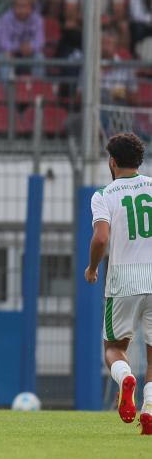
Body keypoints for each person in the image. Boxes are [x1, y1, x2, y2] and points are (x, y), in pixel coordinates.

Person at [85, 132, 152, 435]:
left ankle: (125, 377)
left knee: (113, 347)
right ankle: (149, 410)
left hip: (123, 280)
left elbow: (101, 238)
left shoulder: (104, 195)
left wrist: (92, 268)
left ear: (112, 162)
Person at [0, 0, 45, 79]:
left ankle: (38, 86)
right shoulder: (5, 19)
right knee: (5, 58)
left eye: (25, 6)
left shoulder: (37, 19)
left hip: (28, 56)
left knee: (39, 57)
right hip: (8, 55)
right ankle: (6, 88)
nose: (22, 9)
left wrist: (30, 47)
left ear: (31, 7)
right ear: (13, 7)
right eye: (18, 6)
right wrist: (19, 48)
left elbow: (40, 41)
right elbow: (3, 43)